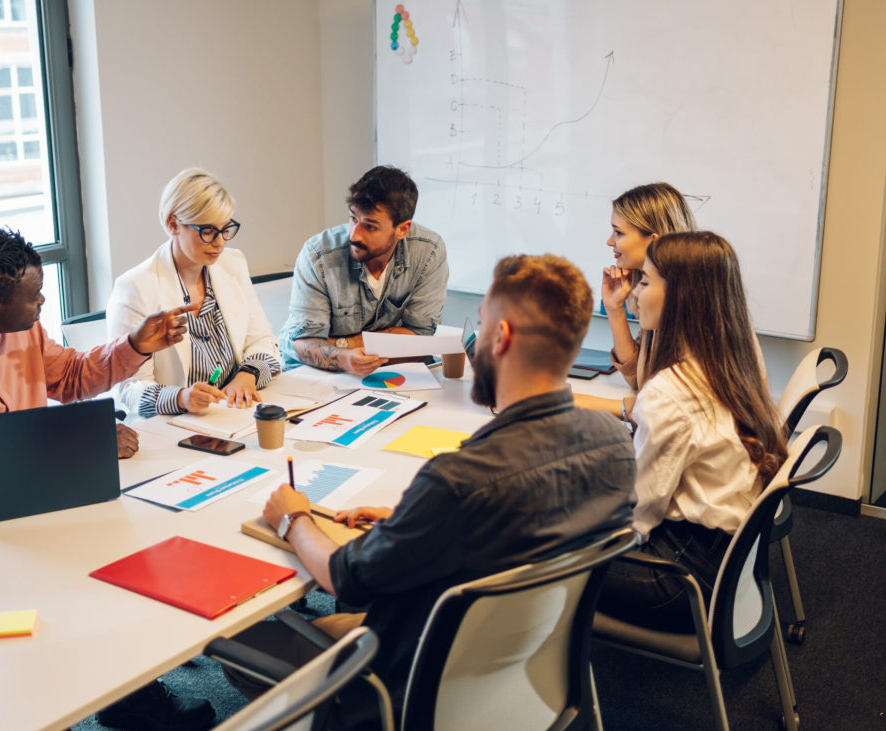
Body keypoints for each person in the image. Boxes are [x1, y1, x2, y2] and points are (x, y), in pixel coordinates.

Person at [232, 254, 635, 719]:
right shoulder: (615, 446)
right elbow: (525, 528)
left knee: (250, 642)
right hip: (521, 677)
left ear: (500, 339)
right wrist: (411, 523)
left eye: (479, 327)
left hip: (407, 686)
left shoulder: (457, 482)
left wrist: (293, 519)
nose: (473, 341)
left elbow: (346, 579)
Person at [0, 226, 199, 494]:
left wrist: (135, 345)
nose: (42, 300)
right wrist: (80, 441)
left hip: (32, 475)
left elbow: (71, 375)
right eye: (33, 296)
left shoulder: (15, 322)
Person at [595, 231, 788, 633]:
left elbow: (637, 517)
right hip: (728, 561)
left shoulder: (669, 393)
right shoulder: (728, 360)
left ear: (682, 297)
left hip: (681, 576)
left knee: (530, 550)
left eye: (644, 282)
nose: (635, 293)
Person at [107, 168, 281, 417]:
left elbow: (263, 340)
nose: (220, 242)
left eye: (225, 229)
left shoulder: (233, 263)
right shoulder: (135, 287)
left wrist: (248, 374)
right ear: (173, 224)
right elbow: (128, 388)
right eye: (208, 231)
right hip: (174, 426)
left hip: (234, 413)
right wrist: (181, 398)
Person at [279, 165, 449, 375]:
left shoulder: (428, 252)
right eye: (353, 218)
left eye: (370, 226)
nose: (355, 235)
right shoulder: (318, 255)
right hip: (311, 374)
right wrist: (346, 358)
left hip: (380, 371)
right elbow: (303, 343)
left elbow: (421, 339)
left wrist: (343, 344)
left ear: (402, 229)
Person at [574, 182, 698, 420]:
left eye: (618, 232)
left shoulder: (686, 306)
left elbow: (661, 409)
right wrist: (614, 308)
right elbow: (639, 379)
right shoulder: (656, 293)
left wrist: (577, 402)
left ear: (653, 241)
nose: (610, 242)